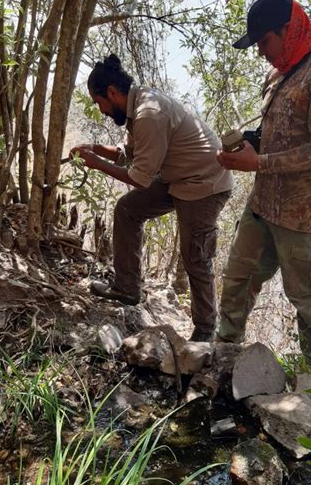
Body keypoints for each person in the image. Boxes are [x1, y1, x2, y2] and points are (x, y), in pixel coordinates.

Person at [216, 0, 311, 368]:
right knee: (237, 281)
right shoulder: (279, 71)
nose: (261, 51)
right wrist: (248, 145)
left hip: (304, 217)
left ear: (288, 29)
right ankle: (224, 358)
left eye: (264, 41)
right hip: (263, 207)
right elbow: (277, 132)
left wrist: (258, 162)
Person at [71, 54, 233, 342]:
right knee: (127, 210)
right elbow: (131, 156)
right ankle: (127, 288)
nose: (102, 111)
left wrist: (96, 163)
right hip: (177, 178)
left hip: (205, 184)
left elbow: (138, 177)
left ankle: (206, 332)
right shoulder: (138, 108)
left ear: (111, 92)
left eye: (100, 104)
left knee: (195, 255)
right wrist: (97, 148)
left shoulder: (149, 114)